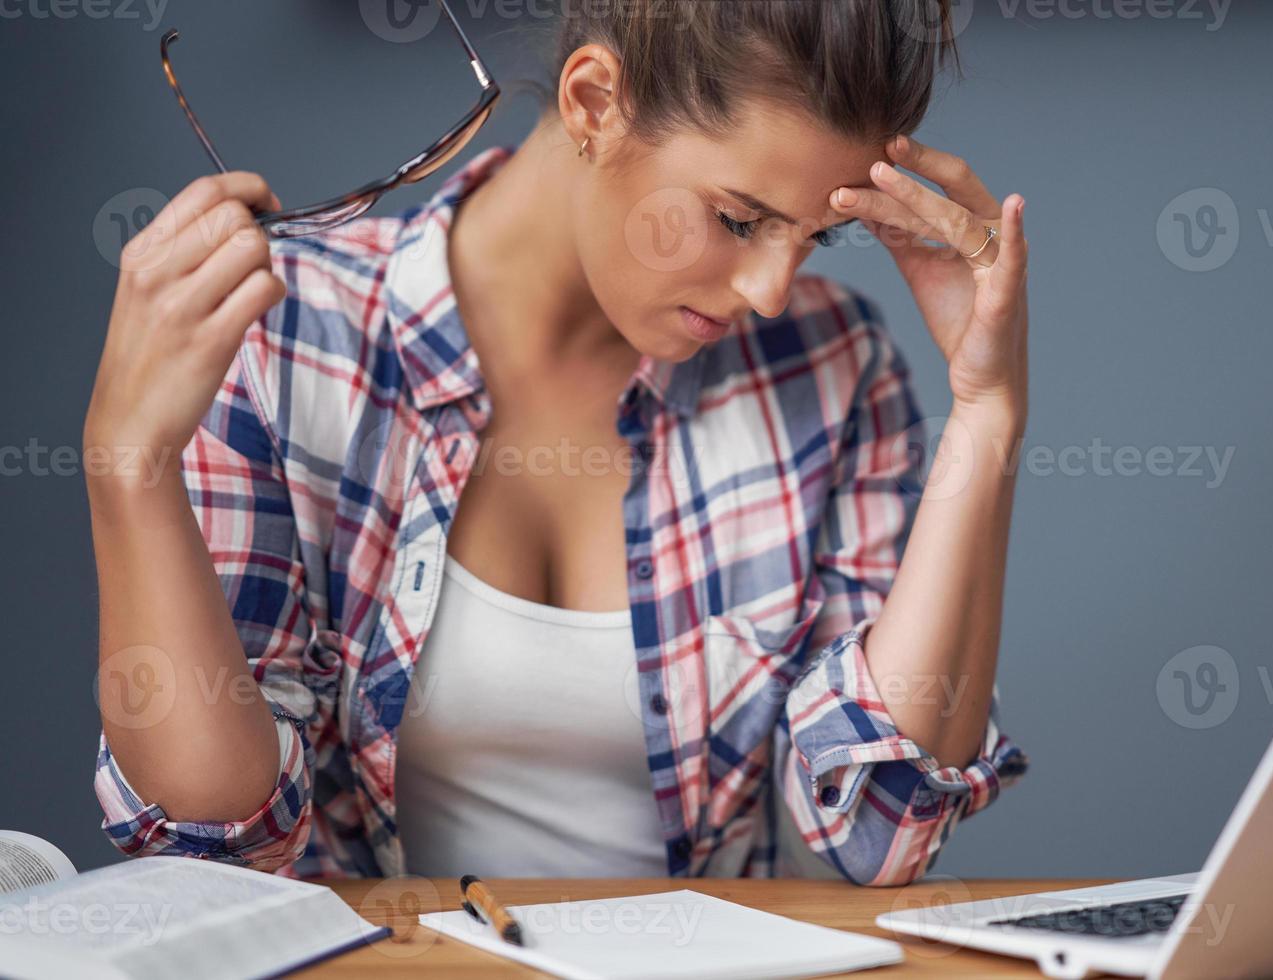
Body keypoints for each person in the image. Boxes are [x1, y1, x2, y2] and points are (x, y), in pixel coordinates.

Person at [83, 0, 1030, 886]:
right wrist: (128, 470)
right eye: (739, 219)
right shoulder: (289, 336)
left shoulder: (830, 366)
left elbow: (876, 833)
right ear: (593, 103)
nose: (771, 290)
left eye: (814, 237)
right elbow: (223, 845)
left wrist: (986, 414)